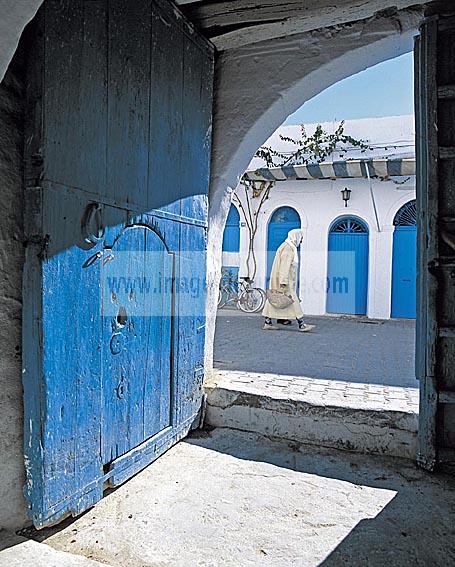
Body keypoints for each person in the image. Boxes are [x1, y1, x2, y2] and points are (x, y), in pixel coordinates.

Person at [262, 228, 315, 332]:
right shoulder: (288, 249)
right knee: (292, 300)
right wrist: (283, 282)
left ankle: (268, 322)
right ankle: (301, 324)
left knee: (275, 299)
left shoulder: (287, 246)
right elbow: (284, 266)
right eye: (301, 238)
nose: (301, 240)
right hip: (285, 281)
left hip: (284, 280)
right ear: (296, 237)